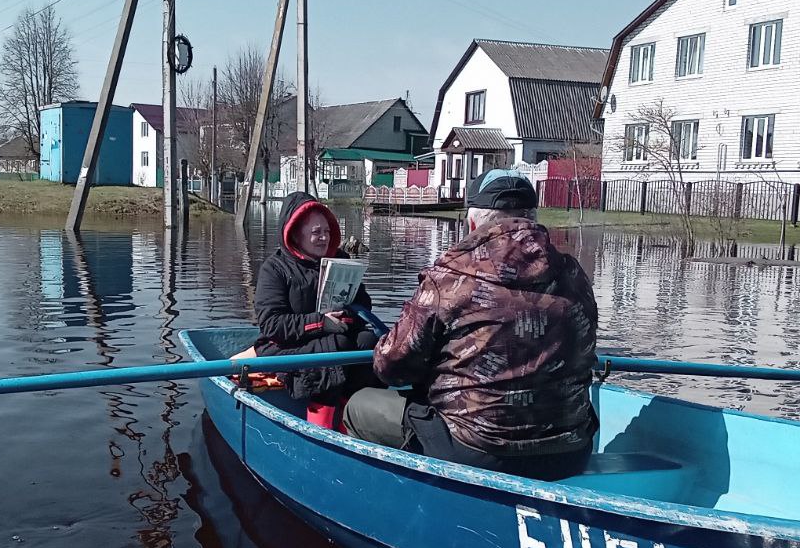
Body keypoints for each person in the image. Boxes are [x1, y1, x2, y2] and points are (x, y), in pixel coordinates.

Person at [343, 170, 598, 480]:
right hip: (570, 451)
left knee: (358, 407)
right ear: (533, 218)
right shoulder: (574, 276)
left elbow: (391, 367)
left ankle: (392, 502)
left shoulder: (449, 278)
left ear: (473, 223)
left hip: (479, 451)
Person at [253, 191, 377, 405]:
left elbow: (364, 304)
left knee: (369, 341)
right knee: (334, 347)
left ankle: (359, 415)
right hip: (287, 346)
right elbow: (271, 324)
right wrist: (321, 322)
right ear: (295, 233)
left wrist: (345, 317)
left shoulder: (340, 259)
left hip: (336, 335)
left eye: (327, 231)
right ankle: (322, 418)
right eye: (316, 232)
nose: (324, 237)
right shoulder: (274, 269)